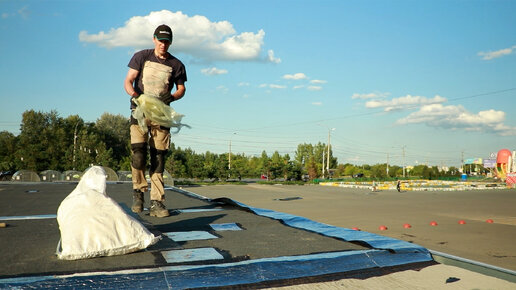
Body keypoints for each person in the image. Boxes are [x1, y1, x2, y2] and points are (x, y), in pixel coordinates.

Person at [124, 24, 187, 217]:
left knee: (158, 157)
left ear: (170, 43)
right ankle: (138, 191)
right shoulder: (141, 57)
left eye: (167, 42)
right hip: (140, 112)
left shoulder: (176, 65)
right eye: (160, 41)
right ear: (154, 39)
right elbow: (128, 80)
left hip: (161, 115)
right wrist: (135, 94)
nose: (163, 44)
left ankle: (156, 202)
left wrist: (173, 97)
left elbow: (181, 88)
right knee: (139, 155)